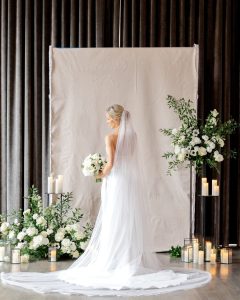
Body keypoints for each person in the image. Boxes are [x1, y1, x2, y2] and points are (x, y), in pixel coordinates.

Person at [1, 105, 211, 296]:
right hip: (130, 181)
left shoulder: (110, 137)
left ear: (115, 118)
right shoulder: (133, 135)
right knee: (128, 218)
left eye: (109, 119)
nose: (107, 122)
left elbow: (111, 165)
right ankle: (128, 258)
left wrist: (98, 172)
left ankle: (114, 260)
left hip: (117, 181)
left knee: (114, 218)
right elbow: (129, 160)